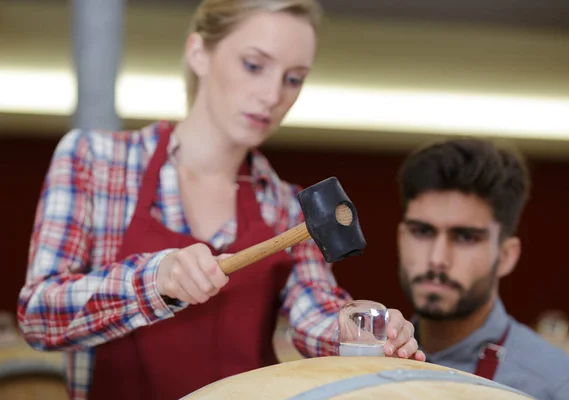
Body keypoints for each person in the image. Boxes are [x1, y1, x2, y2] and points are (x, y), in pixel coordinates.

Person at [16, 1, 425, 399]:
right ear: (199, 52)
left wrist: (359, 326)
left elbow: (314, 314)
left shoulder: (284, 204)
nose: (272, 95)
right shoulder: (95, 160)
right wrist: (156, 278)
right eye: (253, 65)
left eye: (294, 78)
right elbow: (38, 317)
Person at [395, 137, 569, 399]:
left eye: (466, 237)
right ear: (401, 237)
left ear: (506, 256)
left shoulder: (564, 388)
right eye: (422, 231)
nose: (437, 258)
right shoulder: (364, 364)